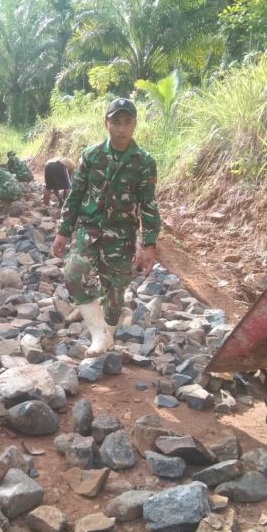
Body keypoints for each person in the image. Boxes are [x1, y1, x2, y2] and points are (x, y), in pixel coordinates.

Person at [51, 97, 160, 357]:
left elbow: (148, 204)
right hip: (89, 231)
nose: (121, 128)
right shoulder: (91, 155)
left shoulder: (144, 162)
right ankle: (99, 334)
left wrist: (149, 245)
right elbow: (75, 196)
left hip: (121, 236)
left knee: (115, 294)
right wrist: (63, 231)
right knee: (73, 273)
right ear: (106, 123)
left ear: (134, 125)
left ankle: (107, 337)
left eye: (127, 122)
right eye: (115, 122)